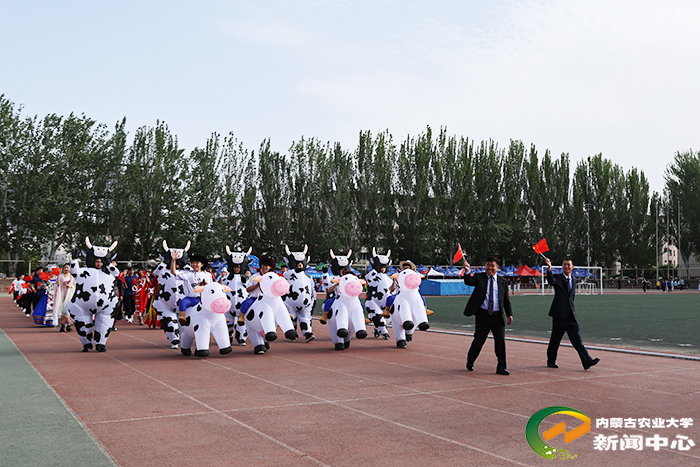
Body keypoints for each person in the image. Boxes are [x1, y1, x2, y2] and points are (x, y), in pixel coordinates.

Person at [544, 257, 599, 370]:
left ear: (572, 267)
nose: (566, 266)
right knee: (555, 340)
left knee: (577, 340)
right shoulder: (558, 278)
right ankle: (551, 360)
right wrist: (549, 268)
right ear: (562, 266)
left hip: (571, 315)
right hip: (559, 315)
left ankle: (587, 361)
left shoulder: (574, 279)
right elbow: (551, 281)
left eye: (568, 265)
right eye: (564, 264)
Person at [461, 257, 513, 375]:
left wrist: (509, 314)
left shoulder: (503, 281)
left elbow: (506, 300)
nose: (489, 267)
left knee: (500, 342)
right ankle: (470, 360)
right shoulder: (480, 277)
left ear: (497, 268)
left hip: (498, 317)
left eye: (492, 265)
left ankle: (501, 367)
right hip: (483, 315)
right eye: (487, 265)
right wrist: (467, 271)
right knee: (479, 340)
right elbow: (469, 281)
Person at [54, 264, 76, 332]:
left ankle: (68, 324)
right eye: (65, 267)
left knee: (67, 309)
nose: (66, 269)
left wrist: (71, 287)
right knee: (61, 310)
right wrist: (57, 284)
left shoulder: (72, 277)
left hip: (69, 295)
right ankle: (62, 325)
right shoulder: (60, 277)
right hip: (61, 295)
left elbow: (75, 286)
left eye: (67, 267)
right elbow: (56, 285)